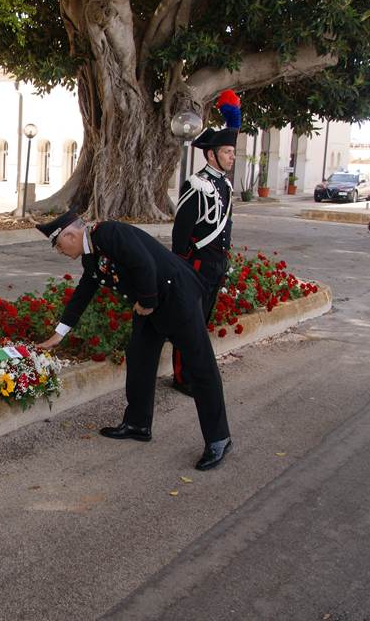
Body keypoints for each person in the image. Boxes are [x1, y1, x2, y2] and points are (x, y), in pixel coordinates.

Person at [36, 210, 232, 470]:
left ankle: (219, 439)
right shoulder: (92, 257)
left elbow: (143, 264)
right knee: (139, 357)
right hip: (149, 303)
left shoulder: (108, 233)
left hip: (176, 297)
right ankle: (138, 424)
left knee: (200, 367)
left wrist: (148, 303)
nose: (60, 252)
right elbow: (84, 291)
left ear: (71, 235)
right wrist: (58, 334)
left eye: (59, 246)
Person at [170, 90, 240, 396]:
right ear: (211, 155)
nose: (231, 157)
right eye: (226, 152)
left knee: (203, 324)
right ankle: (182, 377)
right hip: (195, 266)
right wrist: (180, 268)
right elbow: (181, 232)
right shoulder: (197, 184)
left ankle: (196, 372)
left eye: (232, 152)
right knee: (190, 326)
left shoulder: (223, 184)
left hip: (214, 265)